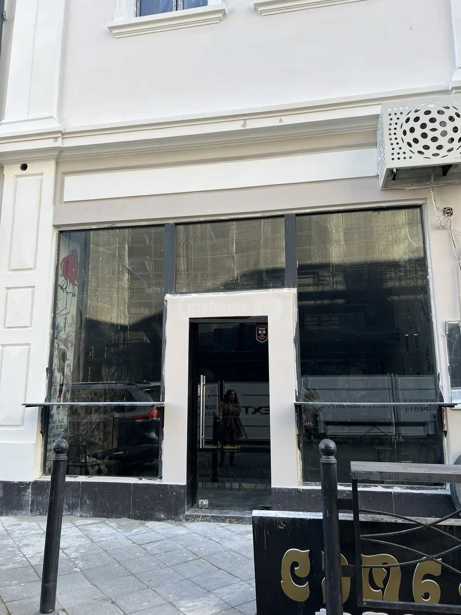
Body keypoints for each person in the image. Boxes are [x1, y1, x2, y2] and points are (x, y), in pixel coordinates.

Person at [218, 389, 244, 467]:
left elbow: (238, 412)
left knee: (233, 444)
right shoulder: (223, 403)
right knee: (224, 444)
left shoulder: (236, 404)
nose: (232, 396)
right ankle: (222, 461)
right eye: (231, 394)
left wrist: (231, 410)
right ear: (228, 395)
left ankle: (231, 462)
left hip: (234, 425)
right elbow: (221, 412)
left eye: (233, 394)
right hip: (225, 424)